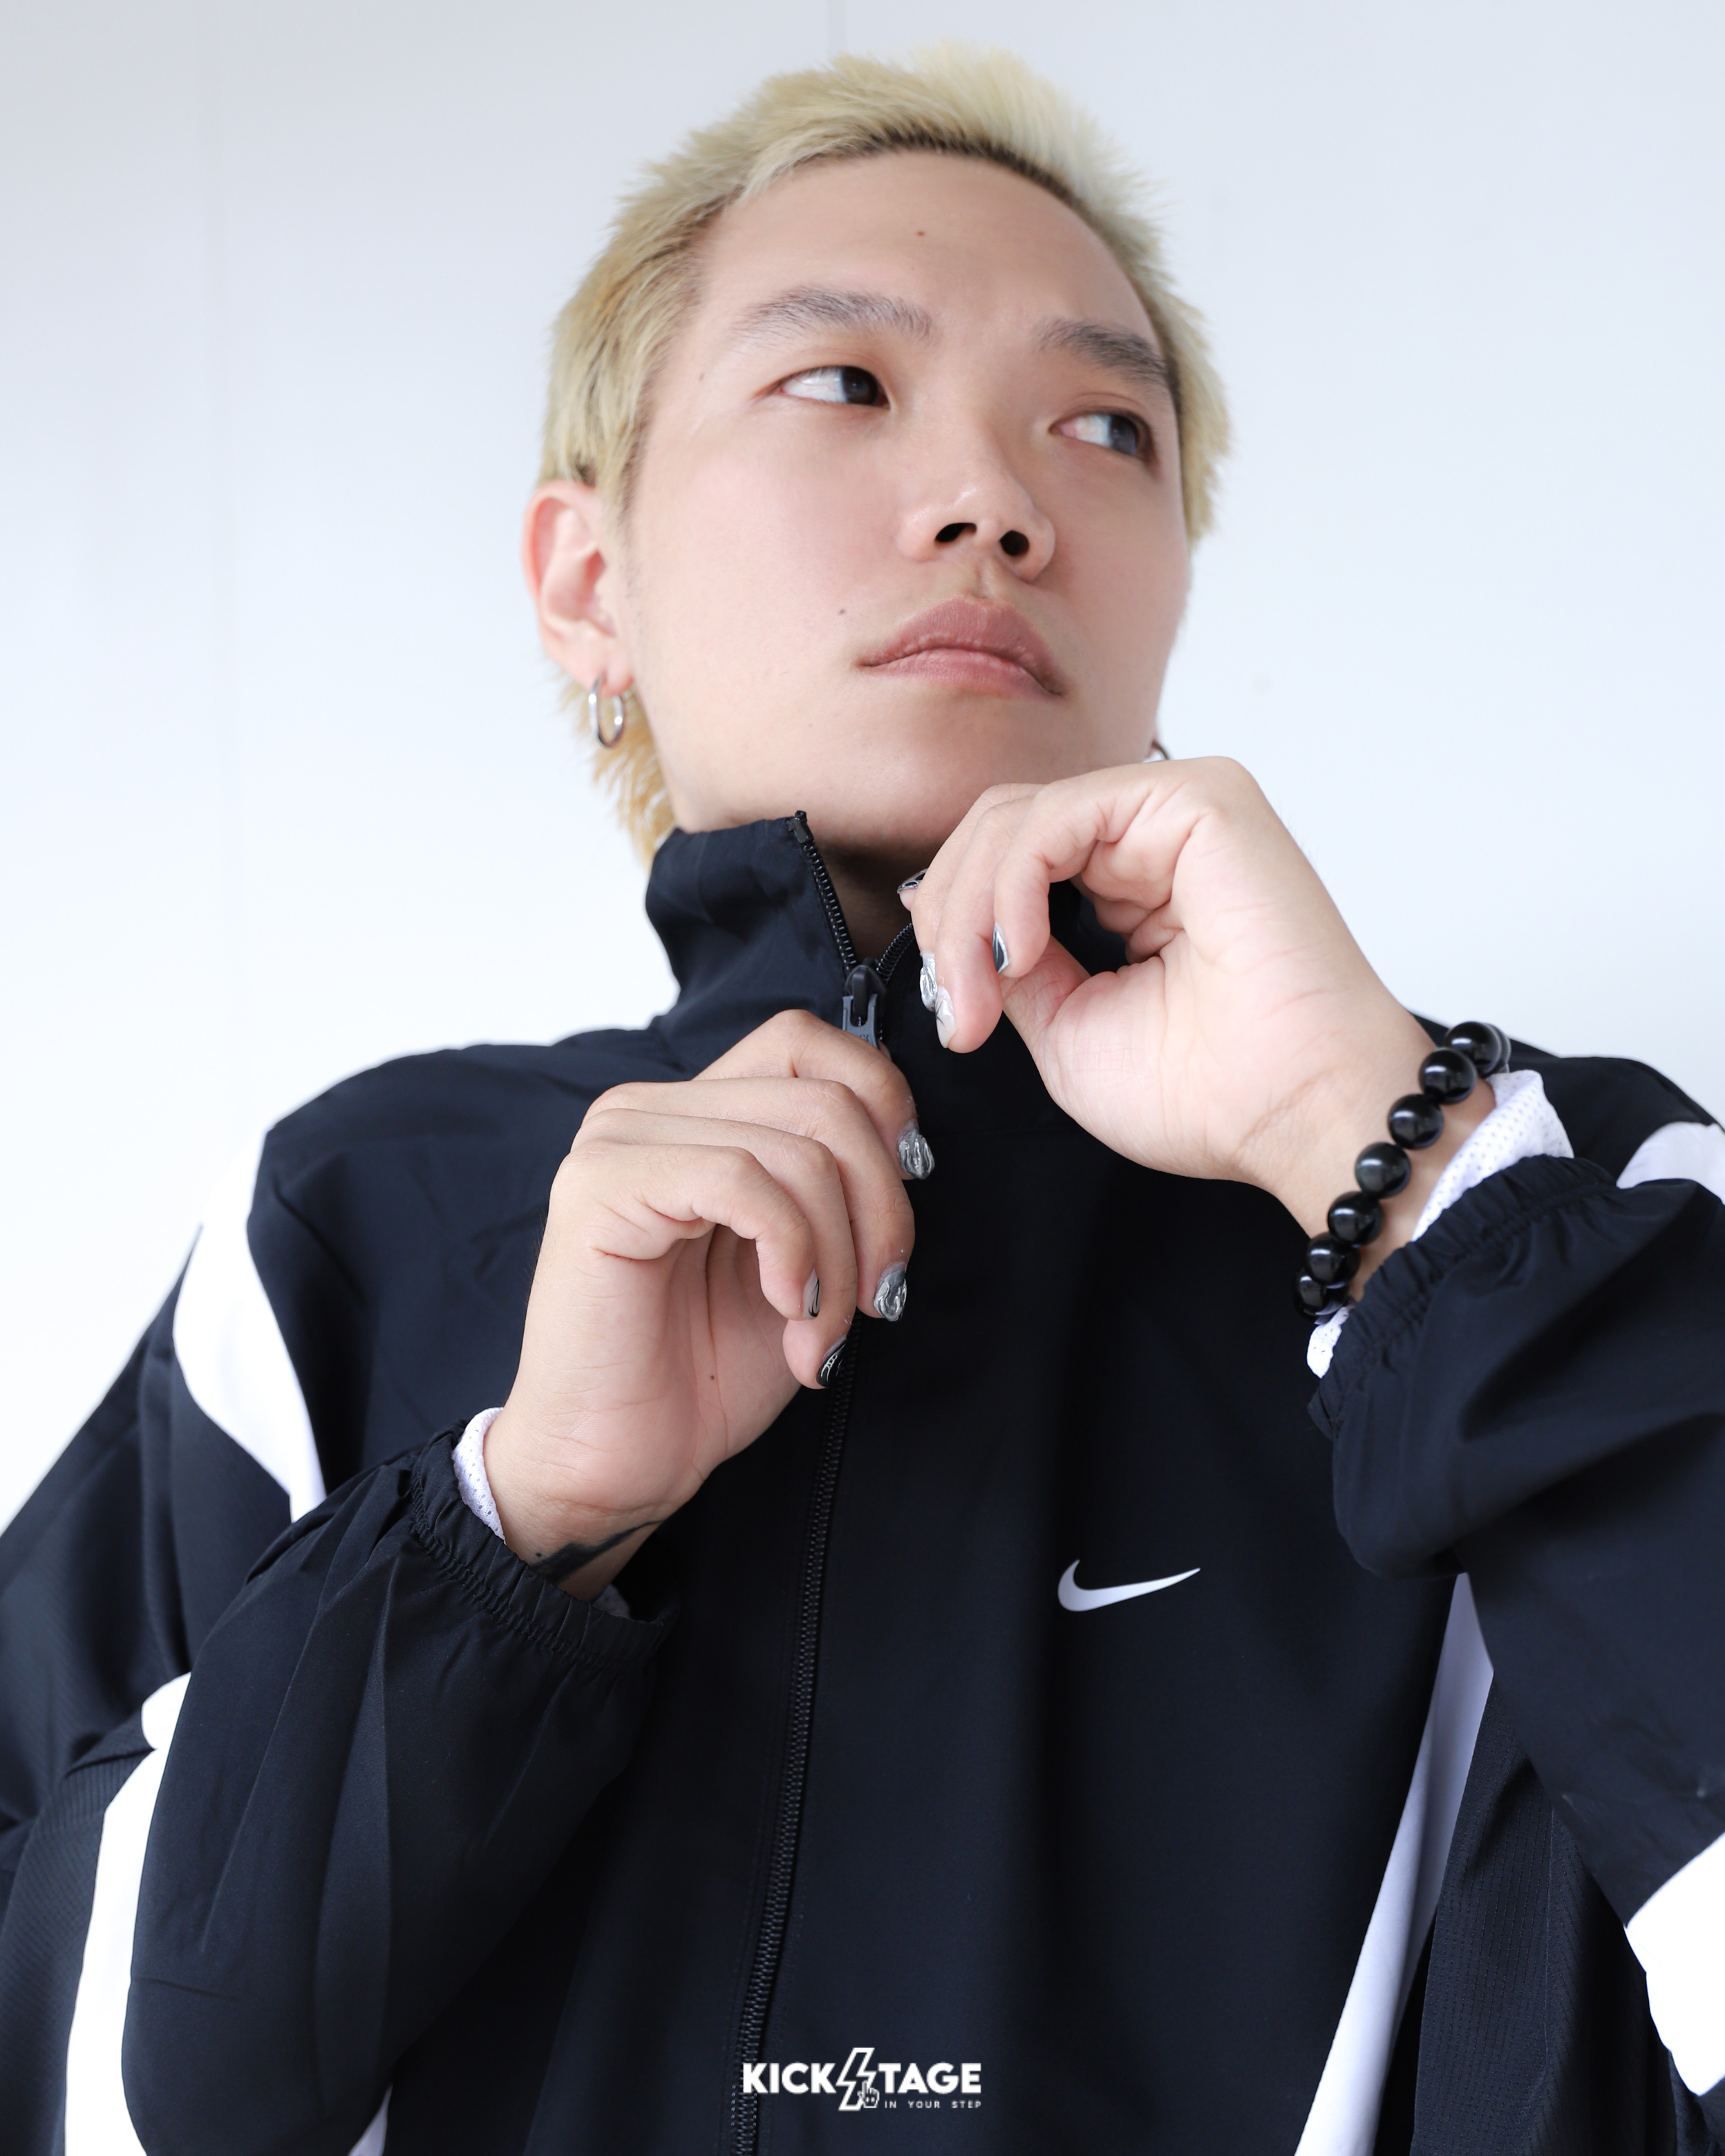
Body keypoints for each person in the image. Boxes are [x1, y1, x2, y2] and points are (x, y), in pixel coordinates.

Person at [1, 45, 1722, 2156]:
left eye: (1106, 428)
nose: (995, 502)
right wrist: (510, 1533)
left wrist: (1395, 1166)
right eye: (843, 383)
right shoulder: (353, 1232)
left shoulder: (1555, 1195)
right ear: (588, 581)